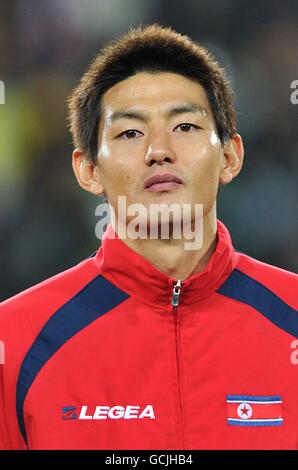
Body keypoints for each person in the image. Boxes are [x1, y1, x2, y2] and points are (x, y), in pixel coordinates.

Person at [0, 23, 297, 451]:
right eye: (130, 133)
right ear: (87, 170)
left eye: (185, 127)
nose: (158, 149)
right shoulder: (15, 343)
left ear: (230, 156)